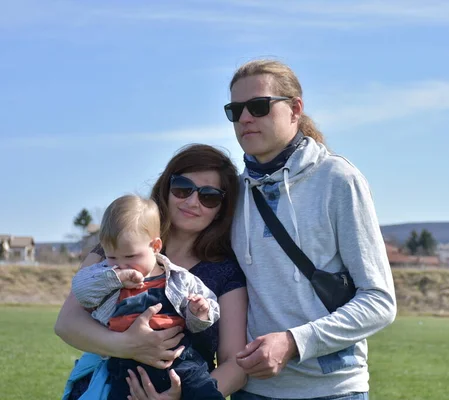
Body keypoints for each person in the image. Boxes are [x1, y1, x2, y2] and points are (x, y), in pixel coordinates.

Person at [221, 59, 397, 399]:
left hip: (333, 390)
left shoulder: (338, 179)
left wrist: (292, 342)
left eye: (258, 106)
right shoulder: (232, 192)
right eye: (235, 110)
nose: (245, 118)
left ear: (295, 109)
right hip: (252, 389)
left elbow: (379, 301)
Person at [55, 144, 248, 399]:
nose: (192, 201)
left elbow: (235, 365)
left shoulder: (226, 272)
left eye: (209, 196)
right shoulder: (116, 250)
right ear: (166, 188)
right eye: (182, 188)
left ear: (221, 208)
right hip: (104, 389)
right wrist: (127, 346)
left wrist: (179, 398)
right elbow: (67, 323)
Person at [67, 194, 224, 400]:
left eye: (130, 257)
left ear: (155, 246)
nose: (121, 264)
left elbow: (207, 314)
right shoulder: (106, 274)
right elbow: (81, 290)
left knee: (206, 392)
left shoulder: (178, 278)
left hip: (179, 359)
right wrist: (114, 279)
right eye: (112, 257)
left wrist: (199, 313)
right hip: (126, 364)